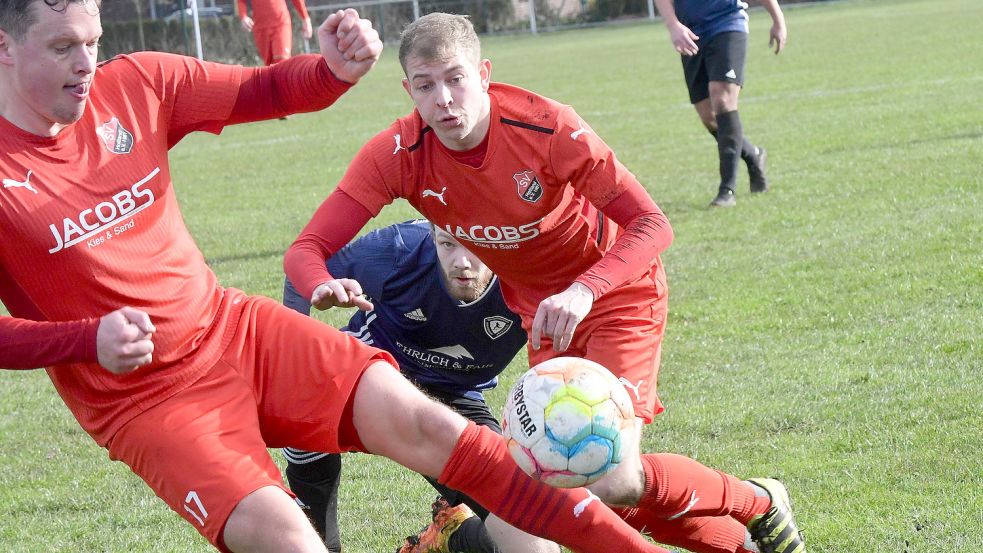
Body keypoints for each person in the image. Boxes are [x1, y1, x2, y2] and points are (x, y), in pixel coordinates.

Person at [0, 2, 680, 553]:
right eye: (63, 47)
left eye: (93, 40)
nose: (88, 62)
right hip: (146, 400)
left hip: (235, 328)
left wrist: (333, 68)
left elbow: (267, 89)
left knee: (432, 425)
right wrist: (88, 339)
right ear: (4, 46)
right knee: (292, 541)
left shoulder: (135, 83)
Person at [284, 12, 806, 553]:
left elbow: (653, 224)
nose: (443, 99)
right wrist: (321, 282)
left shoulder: (546, 127)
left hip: (616, 292)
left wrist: (585, 290)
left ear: (483, 74)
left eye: (455, 78)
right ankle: (739, 547)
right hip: (544, 316)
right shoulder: (399, 153)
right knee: (568, 486)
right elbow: (305, 249)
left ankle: (759, 501)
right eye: (426, 85)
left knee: (611, 478)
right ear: (408, 90)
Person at [282, 220, 557, 553]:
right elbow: (303, 266)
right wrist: (312, 309)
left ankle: (452, 536)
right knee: (307, 395)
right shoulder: (397, 249)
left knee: (532, 537)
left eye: (473, 244)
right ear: (431, 234)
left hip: (454, 397)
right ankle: (320, 541)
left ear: (502, 238)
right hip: (375, 370)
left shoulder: (540, 274)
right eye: (448, 244)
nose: (462, 262)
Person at [652, 0, 787, 208]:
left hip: (727, 22)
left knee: (722, 99)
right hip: (691, 33)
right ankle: (753, 155)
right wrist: (673, 26)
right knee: (709, 117)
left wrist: (778, 20)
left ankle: (727, 190)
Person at [238, 0, 313, 66]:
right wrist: (243, 16)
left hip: (280, 22)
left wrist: (306, 18)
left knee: (282, 63)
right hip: (260, 27)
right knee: (269, 66)